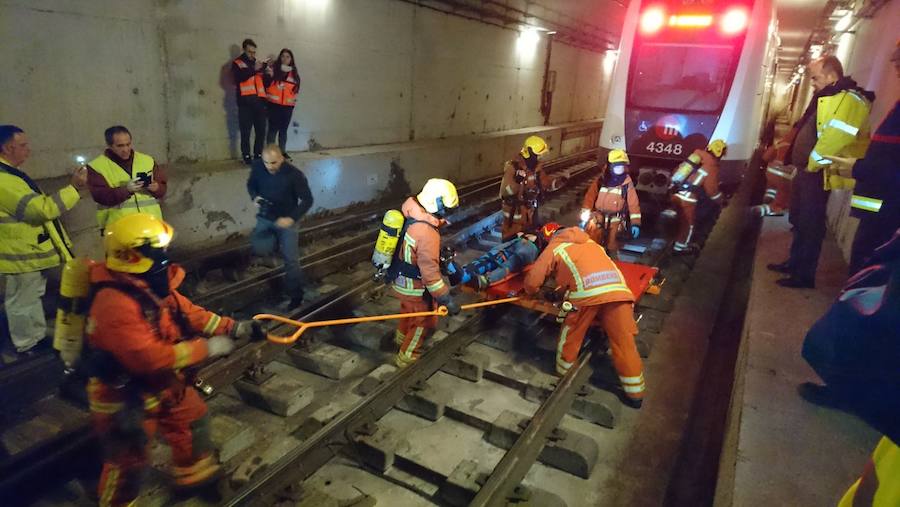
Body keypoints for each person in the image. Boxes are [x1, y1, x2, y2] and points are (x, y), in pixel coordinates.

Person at [85, 213, 260, 505]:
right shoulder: (113, 305)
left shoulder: (149, 285)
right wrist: (207, 349)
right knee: (129, 462)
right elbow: (148, 357)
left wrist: (234, 327)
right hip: (124, 397)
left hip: (161, 384)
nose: (165, 257)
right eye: (159, 251)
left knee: (193, 420)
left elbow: (191, 314)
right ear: (134, 256)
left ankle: (192, 478)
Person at [768, 56, 874, 288]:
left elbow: (834, 139)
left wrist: (812, 164)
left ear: (830, 75)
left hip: (817, 173)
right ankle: (794, 263)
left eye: (815, 77)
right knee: (798, 218)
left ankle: (803, 276)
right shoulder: (827, 97)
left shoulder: (850, 100)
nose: (813, 83)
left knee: (811, 224)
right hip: (805, 172)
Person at [523, 223, 645, 407]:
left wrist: (531, 291)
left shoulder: (556, 246)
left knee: (572, 332)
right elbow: (582, 269)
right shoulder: (592, 243)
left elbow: (533, 281)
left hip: (585, 296)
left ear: (550, 236)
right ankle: (636, 395)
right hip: (618, 292)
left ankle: (563, 373)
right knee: (624, 341)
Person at [0, 125, 87, 356]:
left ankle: (34, 339)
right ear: (7, 148)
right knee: (22, 302)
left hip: (26, 255)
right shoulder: (4, 181)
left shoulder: (13, 176)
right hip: (19, 256)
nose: (28, 150)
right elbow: (39, 210)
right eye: (23, 145)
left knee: (30, 300)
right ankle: (27, 345)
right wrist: (74, 188)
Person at [825, 43, 900, 275]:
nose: (894, 64)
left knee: (869, 269)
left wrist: (858, 168)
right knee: (863, 260)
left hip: (889, 212)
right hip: (878, 208)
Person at [392, 179, 461, 368]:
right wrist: (447, 299)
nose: (446, 213)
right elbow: (430, 276)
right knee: (422, 322)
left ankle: (399, 339)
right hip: (416, 287)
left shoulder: (410, 215)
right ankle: (407, 357)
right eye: (446, 208)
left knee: (407, 313)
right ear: (436, 203)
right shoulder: (427, 232)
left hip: (401, 280)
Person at [246, 144, 313, 307]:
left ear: (281, 158)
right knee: (259, 246)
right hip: (266, 216)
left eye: (274, 163)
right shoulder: (258, 167)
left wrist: (291, 218)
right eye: (267, 163)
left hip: (287, 219)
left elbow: (307, 200)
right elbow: (251, 184)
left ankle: (296, 296)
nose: (270, 167)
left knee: (291, 260)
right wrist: (255, 197)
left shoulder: (294, 175)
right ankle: (274, 247)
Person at [87, 125, 167, 235]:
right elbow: (101, 196)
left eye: (128, 144)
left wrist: (156, 187)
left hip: (151, 228)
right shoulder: (97, 167)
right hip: (121, 232)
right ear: (109, 145)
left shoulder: (147, 160)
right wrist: (126, 190)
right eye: (120, 146)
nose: (125, 149)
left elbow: (162, 189)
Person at [579, 149, 641, 255]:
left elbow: (633, 204)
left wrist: (636, 223)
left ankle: (611, 265)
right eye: (617, 166)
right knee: (591, 242)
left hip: (615, 220)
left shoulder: (626, 183)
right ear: (610, 166)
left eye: (622, 166)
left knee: (612, 246)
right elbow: (589, 198)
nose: (619, 169)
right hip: (598, 217)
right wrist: (584, 218)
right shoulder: (601, 181)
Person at [670, 140, 726, 254]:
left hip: (676, 194)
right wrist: (721, 200)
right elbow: (712, 191)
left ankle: (673, 241)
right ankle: (680, 248)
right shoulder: (711, 166)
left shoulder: (693, 159)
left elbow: (676, 172)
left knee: (679, 220)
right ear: (719, 154)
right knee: (688, 225)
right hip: (688, 199)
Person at [443, 232, 542, 290]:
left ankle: (484, 279)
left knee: (508, 262)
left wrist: (518, 236)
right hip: (519, 243)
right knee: (492, 258)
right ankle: (462, 273)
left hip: (527, 245)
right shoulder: (543, 239)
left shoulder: (536, 241)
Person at [499, 136, 552, 241]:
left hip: (529, 216)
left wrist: (559, 182)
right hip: (514, 217)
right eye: (537, 155)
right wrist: (518, 182)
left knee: (528, 244)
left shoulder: (536, 169)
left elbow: (546, 184)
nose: (539, 158)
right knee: (510, 244)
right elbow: (505, 192)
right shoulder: (513, 168)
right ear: (529, 153)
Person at [232, 38, 268, 165]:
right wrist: (255, 69)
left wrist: (268, 74)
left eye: (254, 52)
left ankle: (258, 155)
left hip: (260, 104)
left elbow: (264, 84)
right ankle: (246, 156)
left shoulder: (258, 64)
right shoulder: (237, 63)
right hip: (245, 104)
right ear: (244, 50)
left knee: (261, 132)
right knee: (246, 132)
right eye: (250, 52)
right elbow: (239, 78)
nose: (252, 55)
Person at [753, 125, 798, 217]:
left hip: (771, 173)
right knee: (784, 195)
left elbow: (766, 157)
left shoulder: (782, 143)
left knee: (772, 185)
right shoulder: (801, 146)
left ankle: (769, 196)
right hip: (786, 177)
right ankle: (770, 208)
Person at [264, 48, 300, 156]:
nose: (285, 59)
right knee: (272, 131)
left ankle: (282, 152)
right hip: (273, 106)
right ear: (280, 58)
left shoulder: (294, 75)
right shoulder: (273, 70)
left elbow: (295, 91)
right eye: (283, 56)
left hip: (287, 108)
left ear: (291, 59)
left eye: (288, 56)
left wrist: (291, 106)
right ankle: (270, 153)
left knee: (283, 131)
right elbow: (266, 84)